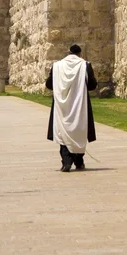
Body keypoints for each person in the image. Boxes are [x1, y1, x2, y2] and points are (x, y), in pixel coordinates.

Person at [46, 44, 98, 172]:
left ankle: (66, 161)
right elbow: (92, 85)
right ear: (80, 54)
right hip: (79, 104)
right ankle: (79, 162)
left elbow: (49, 84)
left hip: (61, 105)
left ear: (68, 53)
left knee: (62, 131)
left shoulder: (57, 66)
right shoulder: (85, 65)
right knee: (79, 130)